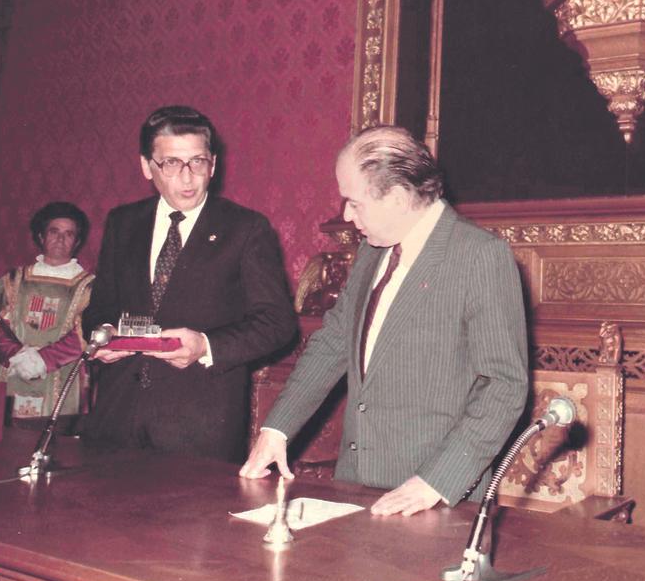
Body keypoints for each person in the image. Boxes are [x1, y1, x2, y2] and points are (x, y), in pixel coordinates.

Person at [240, 126, 529, 517]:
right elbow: (334, 342)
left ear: (396, 197)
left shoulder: (478, 255)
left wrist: (436, 481)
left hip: (431, 497)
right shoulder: (372, 250)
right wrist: (278, 429)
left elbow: (504, 385)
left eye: (354, 203)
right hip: (354, 483)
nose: (345, 215)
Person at [77, 105, 297, 463]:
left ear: (214, 163)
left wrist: (206, 346)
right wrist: (103, 334)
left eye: (197, 162)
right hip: (115, 421)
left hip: (198, 428)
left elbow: (277, 324)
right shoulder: (123, 222)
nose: (188, 178)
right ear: (147, 167)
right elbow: (99, 307)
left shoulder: (246, 229)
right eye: (171, 164)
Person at [0, 202, 94, 420]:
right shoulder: (13, 279)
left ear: (76, 241)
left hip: (63, 375)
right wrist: (17, 355)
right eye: (54, 232)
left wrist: (43, 360)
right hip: (14, 371)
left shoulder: (89, 286)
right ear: (40, 236)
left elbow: (87, 333)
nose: (60, 239)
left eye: (68, 234)